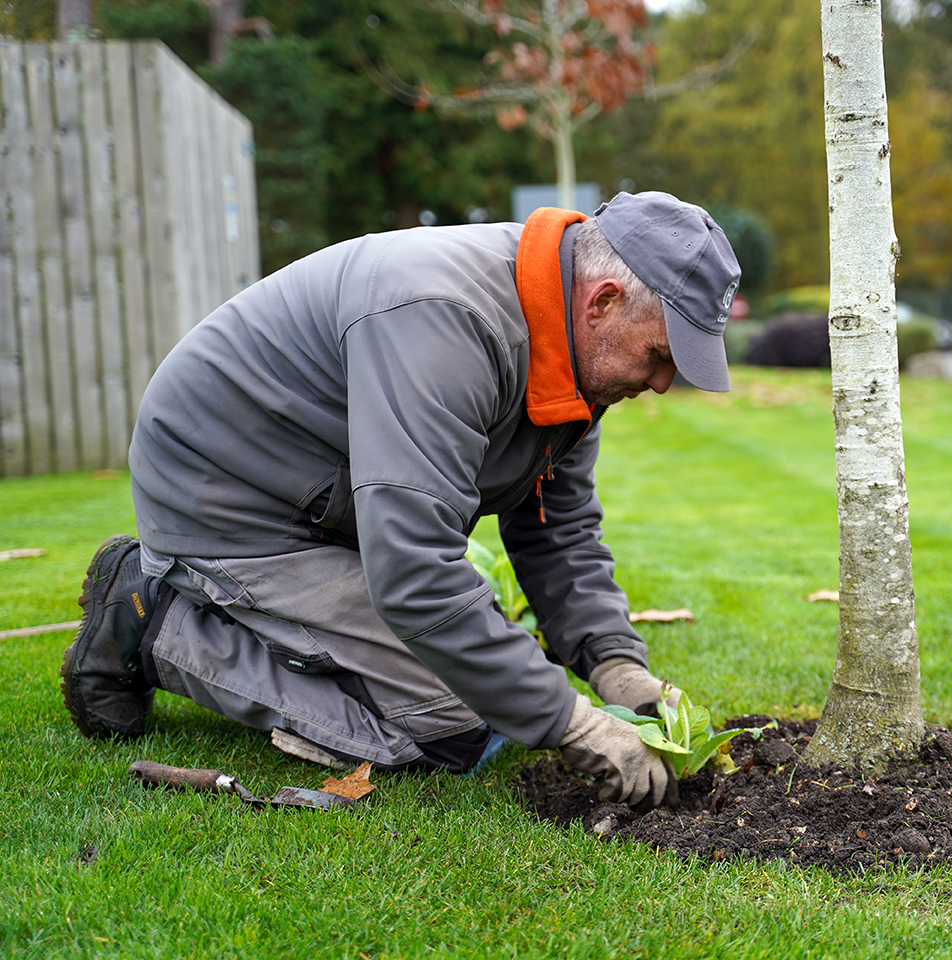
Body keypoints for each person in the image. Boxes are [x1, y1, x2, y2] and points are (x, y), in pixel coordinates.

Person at [59, 191, 741, 811]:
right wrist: (571, 721)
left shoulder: (570, 356)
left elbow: (554, 530)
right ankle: (157, 626)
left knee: (480, 674)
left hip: (329, 501)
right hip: (228, 499)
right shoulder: (447, 318)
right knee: (457, 725)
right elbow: (413, 571)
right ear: (604, 302)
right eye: (659, 356)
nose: (659, 384)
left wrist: (613, 664)